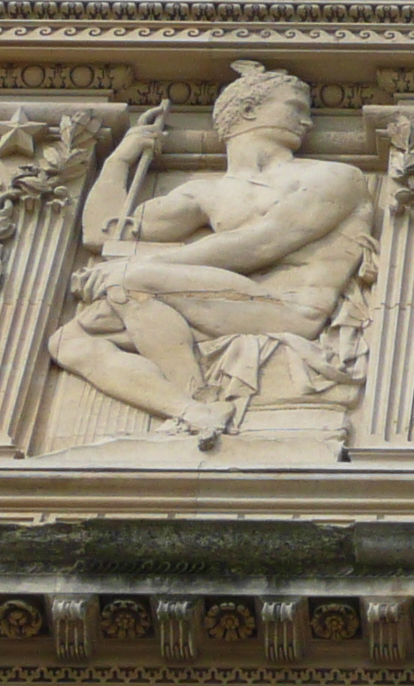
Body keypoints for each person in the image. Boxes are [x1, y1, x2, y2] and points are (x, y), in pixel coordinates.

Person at [50, 64, 376, 448]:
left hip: (293, 309)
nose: (307, 121)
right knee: (67, 341)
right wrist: (120, 161)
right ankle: (194, 411)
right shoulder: (205, 194)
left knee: (130, 282)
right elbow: (103, 232)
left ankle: (202, 405)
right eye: (294, 106)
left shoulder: (336, 177)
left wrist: (142, 267)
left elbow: (265, 242)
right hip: (224, 301)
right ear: (249, 111)